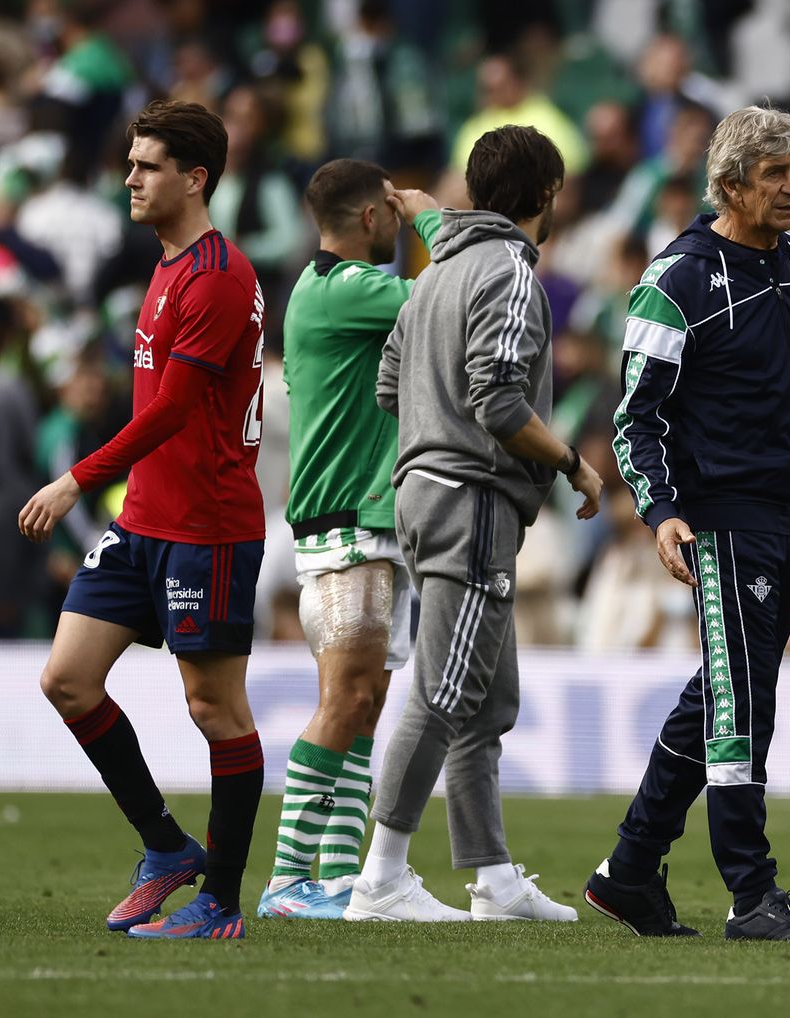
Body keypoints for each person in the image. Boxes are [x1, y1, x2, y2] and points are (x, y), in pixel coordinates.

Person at [586, 105, 790, 942]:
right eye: (774, 173)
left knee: (722, 696)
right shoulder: (677, 278)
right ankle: (750, 893)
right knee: (742, 707)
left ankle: (630, 870)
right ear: (730, 182)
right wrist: (662, 511)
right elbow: (637, 418)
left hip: (788, 516)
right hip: (720, 519)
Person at [19, 99, 268, 940]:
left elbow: (170, 412)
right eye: (130, 162)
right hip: (143, 522)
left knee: (215, 710)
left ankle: (222, 904)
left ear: (194, 178)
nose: (129, 176)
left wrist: (74, 481)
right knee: (67, 680)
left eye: (148, 164)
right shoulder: (167, 267)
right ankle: (166, 847)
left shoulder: (218, 277)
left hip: (208, 525)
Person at [346, 125, 603, 923]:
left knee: (487, 699)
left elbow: (390, 386)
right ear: (547, 195)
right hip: (472, 499)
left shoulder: (435, 273)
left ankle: (492, 878)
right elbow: (497, 401)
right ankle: (380, 876)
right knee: (447, 687)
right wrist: (571, 462)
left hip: (426, 493)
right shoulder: (511, 273)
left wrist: (434, 430)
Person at [254, 159, 442, 920]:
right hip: (346, 524)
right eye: (390, 212)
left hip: (370, 522)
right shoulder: (349, 290)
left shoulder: (320, 290)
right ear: (371, 218)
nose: (397, 223)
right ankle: (288, 877)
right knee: (348, 698)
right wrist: (432, 216)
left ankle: (336, 878)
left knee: (366, 705)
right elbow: (449, 296)